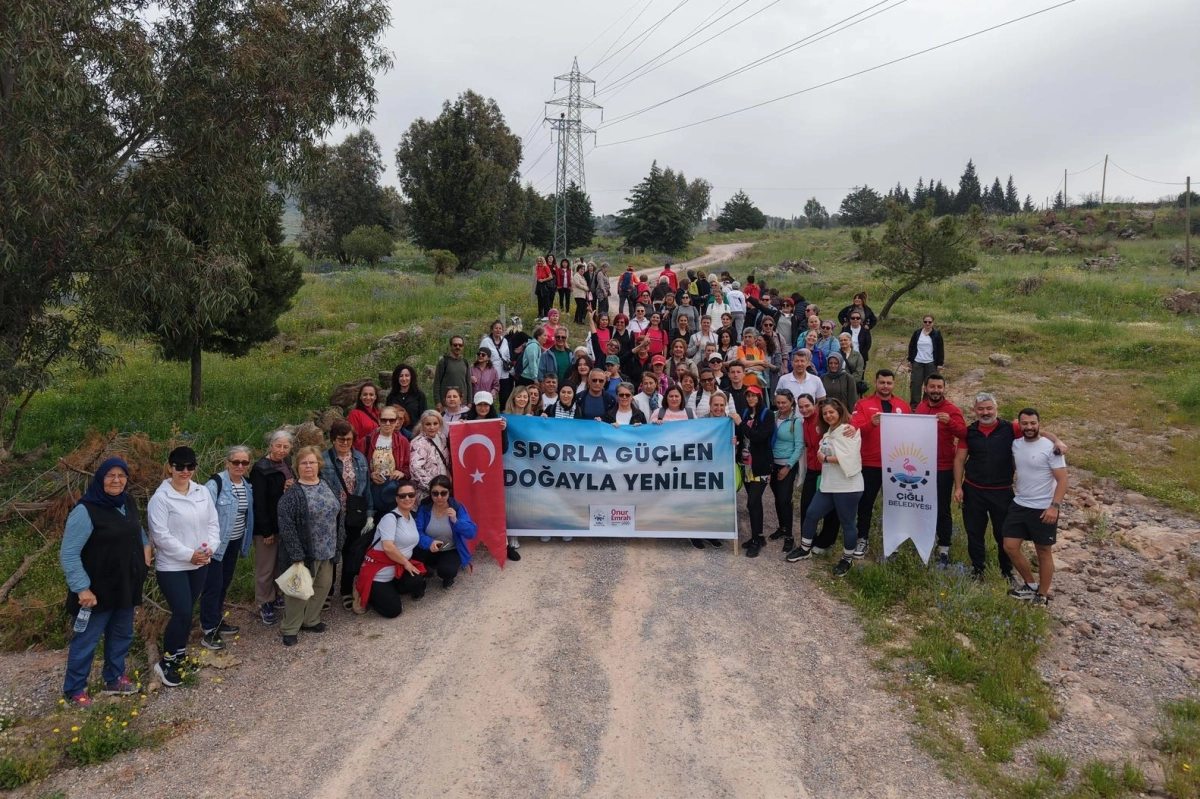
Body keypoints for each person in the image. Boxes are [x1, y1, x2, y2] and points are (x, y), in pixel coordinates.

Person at [60, 458, 151, 705]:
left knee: (122, 635)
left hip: (125, 585)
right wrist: (82, 589)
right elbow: (69, 553)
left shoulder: (127, 501)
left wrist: (145, 546)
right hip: (94, 592)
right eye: (110, 475)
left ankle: (114, 679)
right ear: (100, 479)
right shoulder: (86, 510)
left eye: (121, 476)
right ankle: (74, 690)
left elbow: (135, 528)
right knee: (86, 642)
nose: (116, 480)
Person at [148, 446, 219, 686]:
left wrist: (210, 548)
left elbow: (213, 523)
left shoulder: (202, 492)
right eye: (179, 467)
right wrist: (189, 555)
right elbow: (161, 535)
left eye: (190, 466)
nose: (185, 471)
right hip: (173, 566)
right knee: (182, 612)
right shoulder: (161, 498)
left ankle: (179, 655)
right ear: (170, 468)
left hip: (200, 562)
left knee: (188, 611)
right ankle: (166, 662)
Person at [787, 399, 864, 577]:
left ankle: (847, 559)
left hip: (847, 486)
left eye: (831, 412)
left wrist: (826, 459)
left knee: (847, 523)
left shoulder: (848, 430)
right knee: (812, 514)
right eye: (825, 413)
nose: (828, 416)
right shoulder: (828, 432)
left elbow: (850, 457)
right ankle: (805, 549)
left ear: (840, 412)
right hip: (828, 484)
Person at [276, 446, 344, 646]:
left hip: (328, 548)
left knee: (322, 587)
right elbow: (287, 527)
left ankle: (311, 620)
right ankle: (290, 628)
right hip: (305, 553)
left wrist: (339, 542)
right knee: (298, 592)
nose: (308, 466)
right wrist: (296, 554)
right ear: (297, 466)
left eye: (312, 462)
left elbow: (339, 514)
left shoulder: (328, 484)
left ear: (319, 464)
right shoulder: (292, 495)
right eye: (304, 463)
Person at [1003, 409, 1068, 606]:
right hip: (1020, 503)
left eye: (1033, 423)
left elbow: (1063, 480)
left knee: (1043, 552)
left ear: (1039, 423)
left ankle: (1042, 595)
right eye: (1025, 423)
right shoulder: (1015, 444)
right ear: (1020, 425)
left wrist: (1054, 507)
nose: (1029, 427)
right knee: (1009, 546)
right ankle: (1030, 586)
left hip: (1043, 507)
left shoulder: (1051, 448)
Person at [849, 370, 912, 559]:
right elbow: (854, 429)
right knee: (866, 503)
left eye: (889, 383)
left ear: (893, 384)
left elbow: (912, 432)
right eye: (882, 382)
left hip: (896, 465)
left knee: (895, 504)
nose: (885, 386)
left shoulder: (903, 405)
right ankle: (862, 538)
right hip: (871, 463)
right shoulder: (863, 404)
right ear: (875, 382)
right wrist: (871, 424)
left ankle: (894, 540)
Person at [199, 446, 255, 651]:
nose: (240, 466)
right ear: (227, 463)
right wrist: (205, 544)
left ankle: (216, 619)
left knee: (224, 583)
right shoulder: (215, 484)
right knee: (213, 585)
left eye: (244, 462)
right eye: (236, 462)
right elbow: (202, 514)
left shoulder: (247, 485)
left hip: (234, 542)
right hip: (215, 545)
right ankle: (208, 629)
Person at [913, 374, 967, 567]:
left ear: (944, 388)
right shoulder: (921, 407)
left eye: (939, 387)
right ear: (925, 388)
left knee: (942, 508)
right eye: (932, 387)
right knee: (922, 505)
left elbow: (964, 433)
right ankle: (924, 540)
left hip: (943, 467)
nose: (936, 390)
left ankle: (944, 547)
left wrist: (950, 422)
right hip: (921, 466)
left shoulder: (952, 410)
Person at [353, 480, 427, 617]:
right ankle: (366, 593)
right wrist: (406, 563)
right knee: (393, 611)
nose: (407, 498)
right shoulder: (390, 518)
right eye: (402, 496)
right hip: (379, 574)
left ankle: (389, 592)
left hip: (397, 569)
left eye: (411, 495)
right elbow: (388, 547)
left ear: (415, 496)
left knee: (417, 580)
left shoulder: (411, 517)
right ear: (396, 498)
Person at [320, 422, 373, 607]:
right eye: (341, 439)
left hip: (354, 513)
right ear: (333, 439)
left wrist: (369, 513)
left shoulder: (360, 459)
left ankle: (346, 590)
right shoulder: (323, 459)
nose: (345, 443)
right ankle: (327, 591)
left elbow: (367, 488)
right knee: (331, 554)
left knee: (350, 553)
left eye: (349, 439)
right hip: (331, 514)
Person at [249, 430, 293, 625]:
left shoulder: (287, 463)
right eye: (278, 446)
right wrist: (266, 531)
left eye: (286, 447)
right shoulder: (260, 469)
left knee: (278, 565)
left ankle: (274, 596)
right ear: (271, 445)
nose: (281, 450)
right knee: (265, 566)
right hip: (266, 527)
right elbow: (259, 502)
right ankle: (264, 602)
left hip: (282, 523)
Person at [789, 394, 841, 557]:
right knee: (806, 505)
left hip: (828, 468)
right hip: (812, 469)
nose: (804, 409)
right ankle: (808, 540)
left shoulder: (824, 418)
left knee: (831, 507)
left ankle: (826, 541)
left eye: (807, 406)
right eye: (801, 407)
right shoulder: (803, 423)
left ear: (814, 405)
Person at [414, 475, 477, 589]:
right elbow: (418, 532)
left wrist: (456, 521)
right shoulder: (425, 507)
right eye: (435, 493)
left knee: (446, 571)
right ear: (430, 493)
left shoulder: (457, 507)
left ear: (449, 492)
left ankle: (447, 575)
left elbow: (471, 533)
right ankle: (424, 573)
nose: (439, 497)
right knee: (412, 552)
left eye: (443, 493)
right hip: (429, 548)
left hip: (450, 549)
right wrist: (429, 543)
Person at [737, 385, 775, 557]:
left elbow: (758, 436)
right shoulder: (745, 413)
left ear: (760, 397)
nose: (751, 399)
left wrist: (741, 424)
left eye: (754, 396)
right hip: (746, 465)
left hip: (761, 465)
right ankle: (757, 536)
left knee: (752, 501)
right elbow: (742, 434)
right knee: (754, 502)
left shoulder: (767, 415)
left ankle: (755, 540)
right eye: (748, 396)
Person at [766, 390, 804, 553]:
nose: (781, 405)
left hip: (786, 464)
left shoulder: (796, 422)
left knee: (784, 499)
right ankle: (782, 527)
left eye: (784, 402)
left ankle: (789, 535)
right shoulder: (773, 416)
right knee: (777, 497)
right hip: (772, 463)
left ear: (791, 402)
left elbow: (799, 446)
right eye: (778, 402)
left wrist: (788, 467)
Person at [360, 406, 412, 517]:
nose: (388, 423)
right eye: (384, 420)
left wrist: (402, 472)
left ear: (397, 421)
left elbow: (409, 467)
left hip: (394, 491)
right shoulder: (367, 440)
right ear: (379, 420)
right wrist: (370, 474)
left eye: (391, 420)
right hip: (373, 491)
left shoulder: (403, 441)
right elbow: (359, 466)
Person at [409, 409, 452, 504]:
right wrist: (434, 488)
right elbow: (415, 469)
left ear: (440, 424)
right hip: (427, 493)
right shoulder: (418, 443)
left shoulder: (441, 437)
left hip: (444, 490)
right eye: (428, 424)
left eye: (435, 424)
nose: (432, 427)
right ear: (422, 425)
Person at [907, 314, 945, 407]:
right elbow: (911, 346)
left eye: (929, 322)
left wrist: (940, 363)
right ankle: (914, 406)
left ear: (933, 323)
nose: (927, 323)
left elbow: (940, 349)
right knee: (915, 384)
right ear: (923, 322)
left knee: (930, 384)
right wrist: (910, 360)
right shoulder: (917, 333)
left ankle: (926, 405)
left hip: (931, 363)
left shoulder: (936, 334)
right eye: (925, 322)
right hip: (918, 362)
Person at [479, 320, 514, 409]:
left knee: (505, 397)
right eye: (496, 328)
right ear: (492, 329)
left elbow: (507, 356)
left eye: (500, 328)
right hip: (491, 374)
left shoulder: (505, 341)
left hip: (504, 374)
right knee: (489, 397)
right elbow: (481, 356)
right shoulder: (486, 341)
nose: (498, 330)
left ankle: (503, 413)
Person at [385, 363, 428, 434]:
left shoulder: (419, 395)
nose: (404, 378)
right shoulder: (391, 396)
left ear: (411, 377)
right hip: (394, 433)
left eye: (407, 375)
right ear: (397, 378)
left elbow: (424, 417)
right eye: (401, 376)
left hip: (414, 433)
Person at [432, 336, 471, 413]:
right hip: (446, 405)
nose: (458, 347)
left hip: (462, 405)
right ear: (450, 346)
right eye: (455, 345)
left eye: (460, 345)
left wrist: (470, 402)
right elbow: (437, 383)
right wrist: (438, 402)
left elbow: (468, 383)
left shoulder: (465, 362)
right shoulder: (443, 362)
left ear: (463, 347)